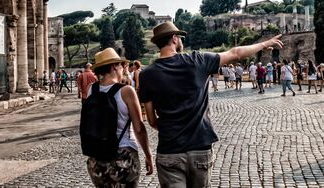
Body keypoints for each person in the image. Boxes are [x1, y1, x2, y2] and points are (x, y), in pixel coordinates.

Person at [139, 21, 283, 187]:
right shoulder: (197, 60)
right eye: (180, 37)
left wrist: (170, 127)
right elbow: (235, 53)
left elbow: (151, 120)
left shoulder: (146, 74)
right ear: (174, 38)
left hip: (169, 150)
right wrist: (264, 44)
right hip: (200, 147)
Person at [86, 48, 153, 187]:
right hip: (123, 154)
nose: (123, 68)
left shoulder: (91, 89)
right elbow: (139, 128)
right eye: (121, 65)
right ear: (114, 66)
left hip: (97, 158)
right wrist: (148, 155)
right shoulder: (126, 91)